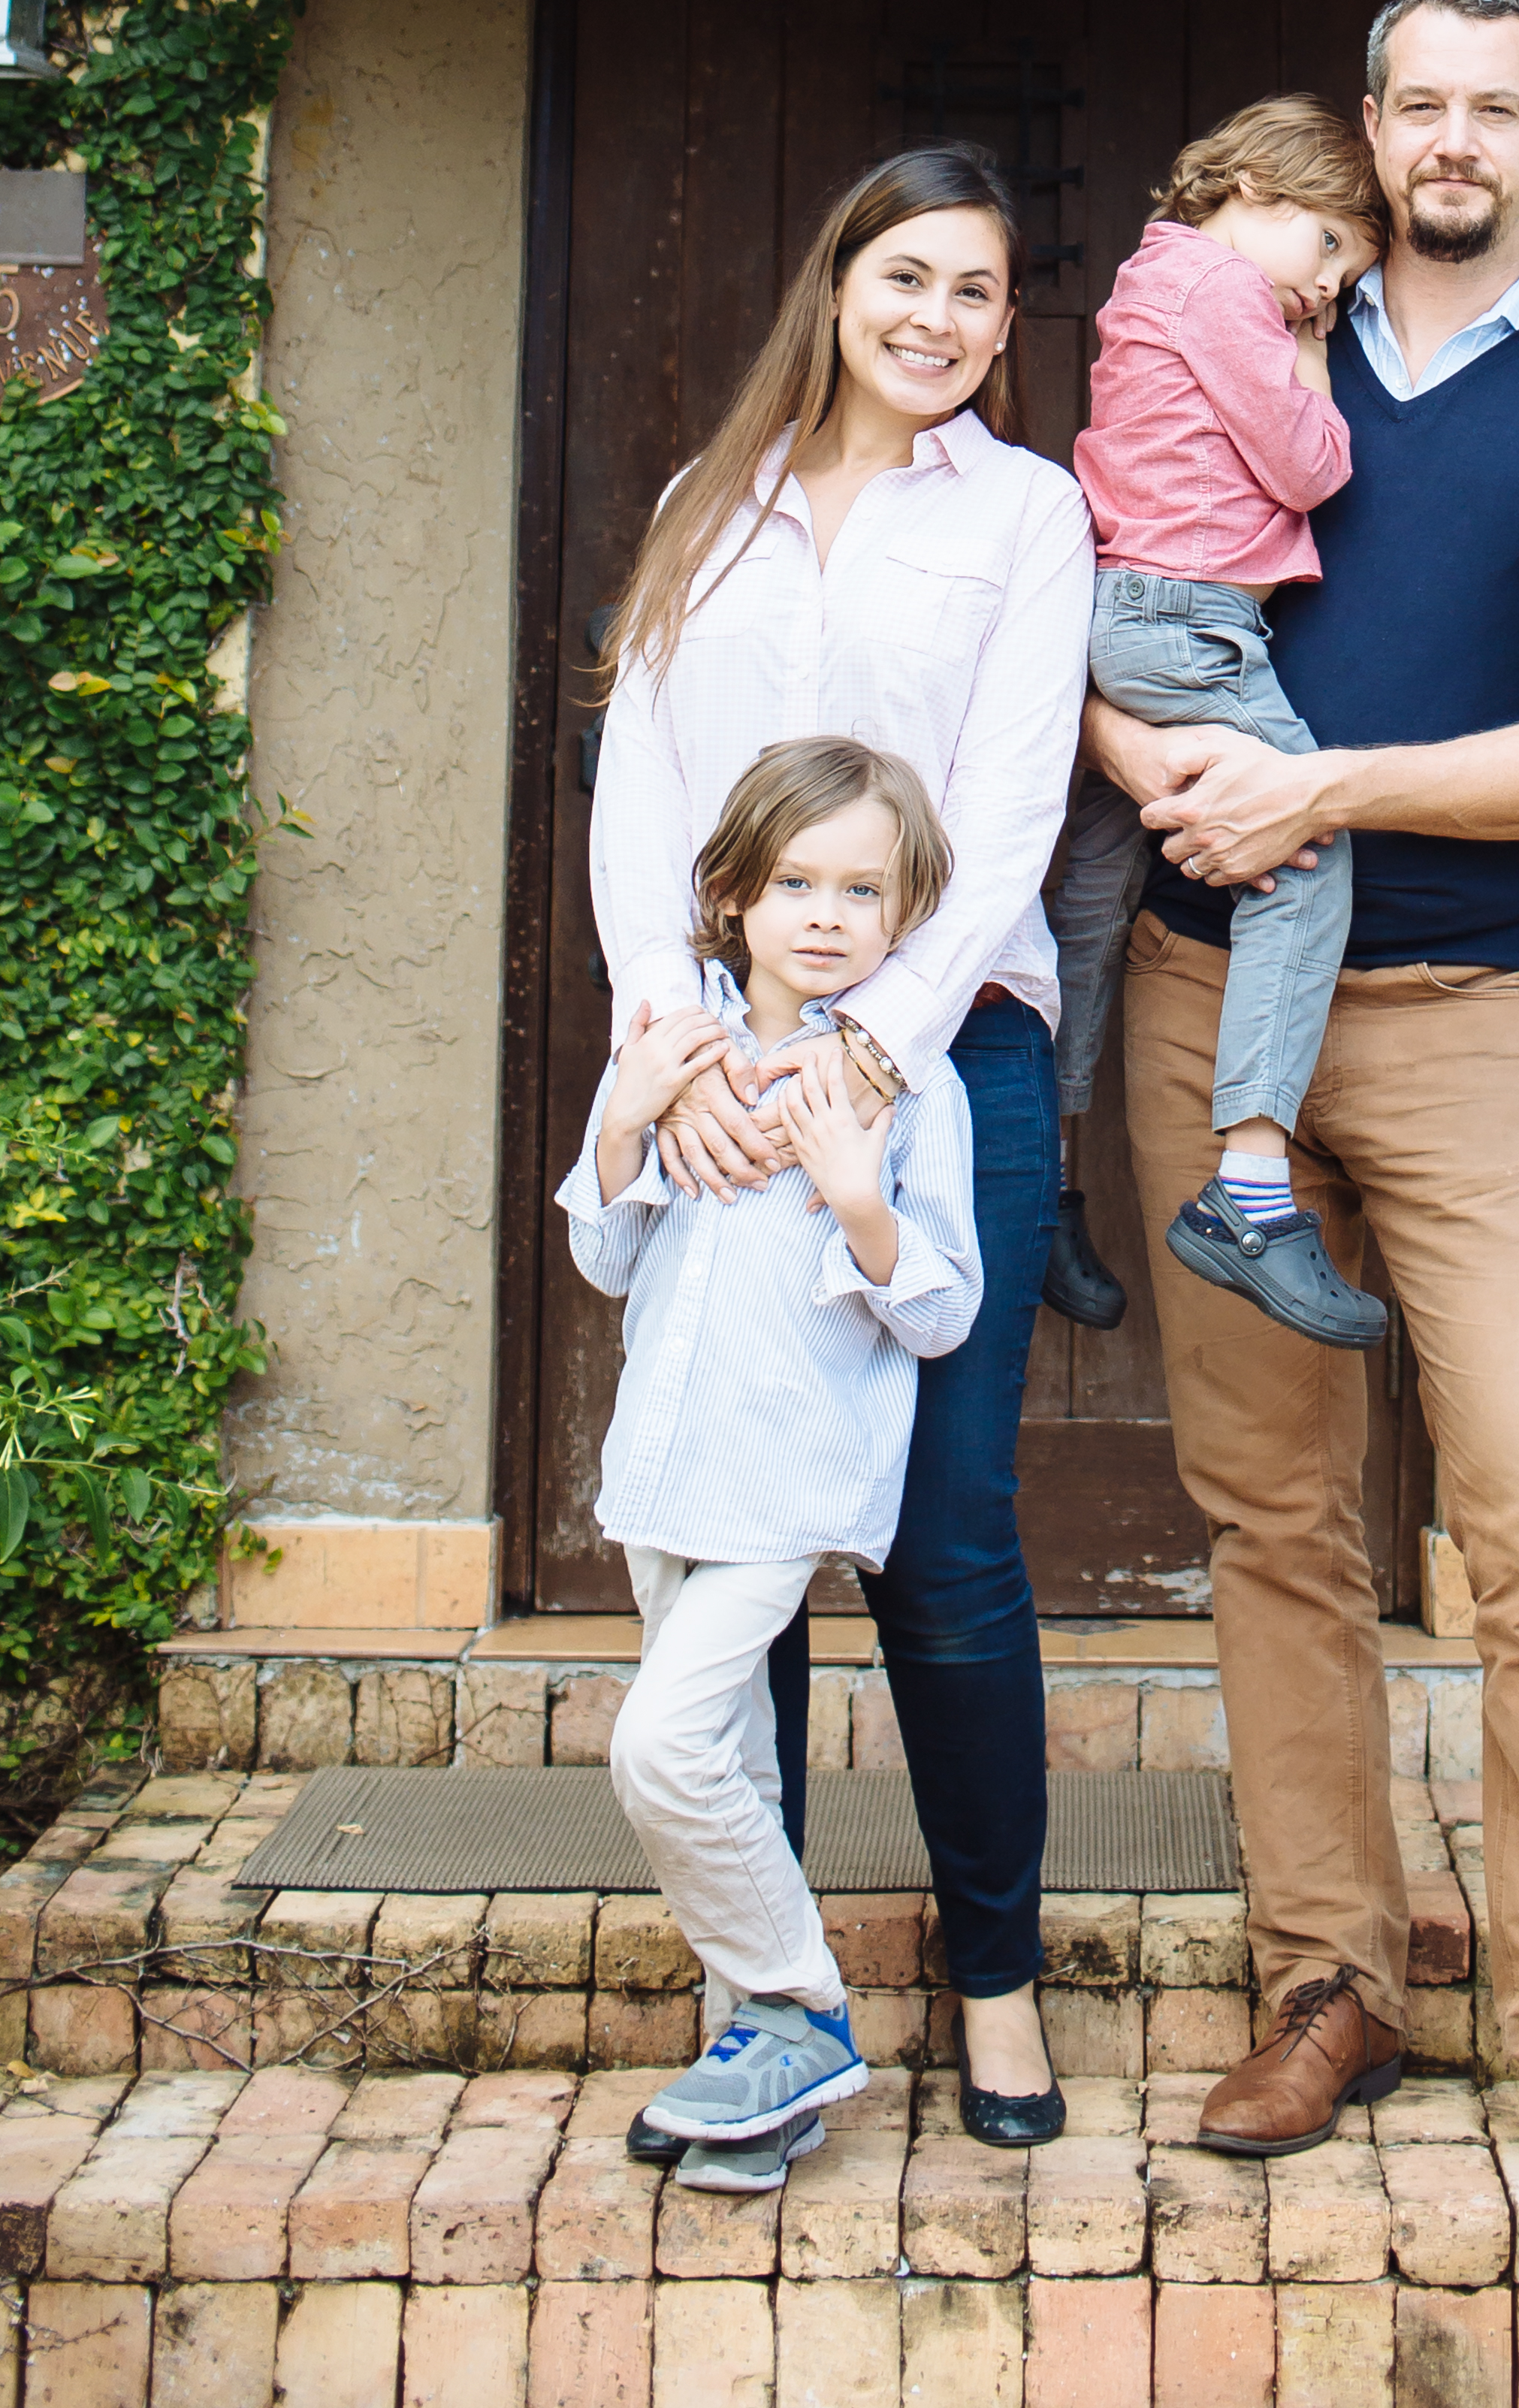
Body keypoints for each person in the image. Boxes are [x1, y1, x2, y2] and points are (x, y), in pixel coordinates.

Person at [1086, 0, 1519, 2218]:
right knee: (1275, 1519)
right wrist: (1152, 761)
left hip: (1465, 1018)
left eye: (1493, 108)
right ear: (1368, 127)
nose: (1451, 142)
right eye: (1417, 105)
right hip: (1204, 1003)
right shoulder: (1256, 326)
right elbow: (1099, 591)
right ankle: (1327, 1979)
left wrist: (1321, 789)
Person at [590, 144, 1092, 2148]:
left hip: (948, 1066)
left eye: (979, 292)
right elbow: (642, 791)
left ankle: (996, 1982)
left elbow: (1016, 794)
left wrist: (870, 1052)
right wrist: (677, 1037)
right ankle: (765, 2009)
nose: (942, 321)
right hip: (714, 1074)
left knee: (949, 1544)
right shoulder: (700, 515)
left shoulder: (1030, 517)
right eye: (909, 277)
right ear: (838, 285)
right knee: (738, 1529)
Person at [561, 736, 981, 2190]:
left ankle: (799, 2005)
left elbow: (943, 1311)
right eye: (795, 880)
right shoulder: (681, 1056)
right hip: (661, 1473)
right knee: (728, 1760)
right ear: (735, 896)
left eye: (861, 889)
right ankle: (758, 2091)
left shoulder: (908, 1089)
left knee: (660, 1749)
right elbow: (605, 1254)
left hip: (784, 1484)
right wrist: (625, 1118)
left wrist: (863, 1203)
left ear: (906, 915)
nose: (824, 912)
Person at [1044, 96, 1388, 1350]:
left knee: (1090, 893)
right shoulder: (1225, 294)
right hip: (1189, 622)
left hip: (1123, 611)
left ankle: (1043, 1187)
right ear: (1257, 185)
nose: (1332, 285)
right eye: (1335, 248)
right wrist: (1314, 350)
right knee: (1303, 850)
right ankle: (1250, 1190)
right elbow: (1311, 467)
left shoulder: (1156, 275)